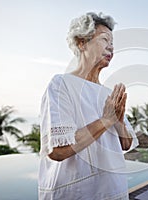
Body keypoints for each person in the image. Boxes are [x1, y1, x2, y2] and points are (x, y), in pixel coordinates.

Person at [38, 12, 138, 200]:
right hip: (77, 193)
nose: (111, 47)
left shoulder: (110, 93)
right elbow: (58, 150)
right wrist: (106, 120)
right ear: (81, 42)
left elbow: (126, 143)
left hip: (113, 189)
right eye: (104, 39)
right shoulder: (61, 84)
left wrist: (119, 119)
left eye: (113, 43)